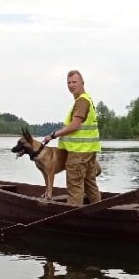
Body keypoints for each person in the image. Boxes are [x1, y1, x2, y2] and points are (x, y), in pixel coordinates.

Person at [43, 70, 101, 206]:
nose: (71, 85)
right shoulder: (87, 99)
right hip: (88, 151)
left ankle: (73, 215)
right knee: (90, 184)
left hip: (79, 152)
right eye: (68, 83)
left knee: (75, 187)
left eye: (74, 82)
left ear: (82, 83)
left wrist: (53, 135)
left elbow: (74, 126)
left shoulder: (82, 102)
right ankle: (100, 211)